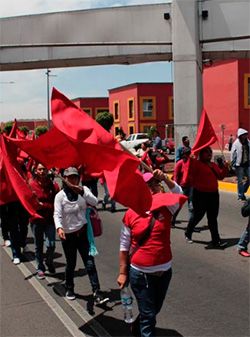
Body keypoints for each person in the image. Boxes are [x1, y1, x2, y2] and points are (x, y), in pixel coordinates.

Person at [117, 169, 185, 337]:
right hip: (141, 274)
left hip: (165, 271)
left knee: (155, 308)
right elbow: (124, 246)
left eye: (155, 183)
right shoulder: (131, 213)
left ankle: (137, 325)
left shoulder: (166, 207)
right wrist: (122, 272)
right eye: (148, 185)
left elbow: (179, 192)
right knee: (149, 315)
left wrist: (166, 178)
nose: (152, 187)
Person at [54, 167, 109, 303]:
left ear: (78, 178)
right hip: (68, 236)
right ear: (65, 179)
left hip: (83, 233)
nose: (73, 180)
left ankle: (97, 292)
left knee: (90, 264)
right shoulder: (60, 196)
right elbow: (57, 214)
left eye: (75, 177)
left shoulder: (84, 190)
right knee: (71, 264)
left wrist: (83, 192)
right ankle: (69, 288)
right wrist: (59, 227)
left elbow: (95, 202)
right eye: (69, 177)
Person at [184, 147, 228, 248]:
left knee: (212, 218)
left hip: (213, 195)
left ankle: (216, 241)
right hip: (200, 194)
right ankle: (188, 232)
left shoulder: (213, 165)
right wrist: (191, 159)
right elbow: (190, 170)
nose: (209, 154)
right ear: (201, 154)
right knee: (198, 216)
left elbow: (220, 176)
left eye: (210, 152)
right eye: (207, 152)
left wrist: (225, 167)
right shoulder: (196, 164)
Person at [29, 163, 59, 279]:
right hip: (36, 220)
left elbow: (57, 202)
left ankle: (49, 262)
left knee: (51, 244)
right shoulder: (31, 185)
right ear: (36, 171)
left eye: (44, 169)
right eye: (39, 169)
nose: (42, 171)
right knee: (38, 245)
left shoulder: (53, 185)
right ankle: (40, 267)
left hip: (50, 219)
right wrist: (36, 205)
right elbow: (28, 202)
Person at [172, 147, 194, 226]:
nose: (187, 156)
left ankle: (191, 225)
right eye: (186, 154)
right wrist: (176, 189)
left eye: (189, 154)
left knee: (191, 206)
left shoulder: (192, 163)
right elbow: (175, 176)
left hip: (191, 187)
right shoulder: (179, 163)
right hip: (182, 188)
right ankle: (172, 220)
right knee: (179, 206)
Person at [230, 128, 250, 201]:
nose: (245, 136)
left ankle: (243, 191)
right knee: (240, 181)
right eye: (244, 135)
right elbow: (232, 154)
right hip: (239, 165)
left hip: (247, 163)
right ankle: (240, 196)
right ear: (240, 135)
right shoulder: (236, 143)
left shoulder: (248, 142)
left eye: (246, 134)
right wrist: (232, 164)